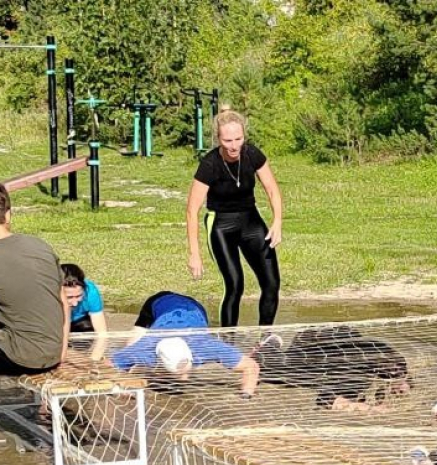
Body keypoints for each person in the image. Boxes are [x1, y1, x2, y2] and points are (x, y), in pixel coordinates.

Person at [185, 108, 283, 328]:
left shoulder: (252, 154)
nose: (234, 145)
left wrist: (277, 221)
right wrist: (194, 253)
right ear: (218, 139)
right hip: (221, 226)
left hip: (251, 221)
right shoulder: (209, 165)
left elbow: (272, 189)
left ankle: (265, 339)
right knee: (235, 285)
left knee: (271, 283)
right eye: (227, 140)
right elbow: (192, 210)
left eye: (238, 139)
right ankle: (228, 342)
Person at [109, 291, 259, 397]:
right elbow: (108, 364)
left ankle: (173, 374)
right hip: (159, 302)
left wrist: (246, 394)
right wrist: (121, 387)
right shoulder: (145, 350)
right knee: (129, 347)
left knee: (182, 379)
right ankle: (159, 373)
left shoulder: (205, 347)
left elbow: (251, 366)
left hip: (195, 308)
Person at [254, 326, 411, 413]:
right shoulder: (357, 376)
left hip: (317, 337)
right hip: (308, 353)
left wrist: (403, 381)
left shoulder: (379, 348)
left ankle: (271, 343)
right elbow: (325, 401)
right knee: (275, 372)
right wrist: (372, 409)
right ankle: (267, 346)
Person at [0, 184, 67, 375]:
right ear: (9, 214)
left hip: (20, 356)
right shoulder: (39, 245)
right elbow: (63, 301)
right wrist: (61, 351)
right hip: (53, 352)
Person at [60, 263, 108, 362]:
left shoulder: (91, 292)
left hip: (78, 322)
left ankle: (77, 354)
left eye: (78, 296)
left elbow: (102, 334)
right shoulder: (47, 294)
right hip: (56, 321)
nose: (74, 303)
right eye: (69, 297)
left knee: (86, 330)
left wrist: (93, 362)